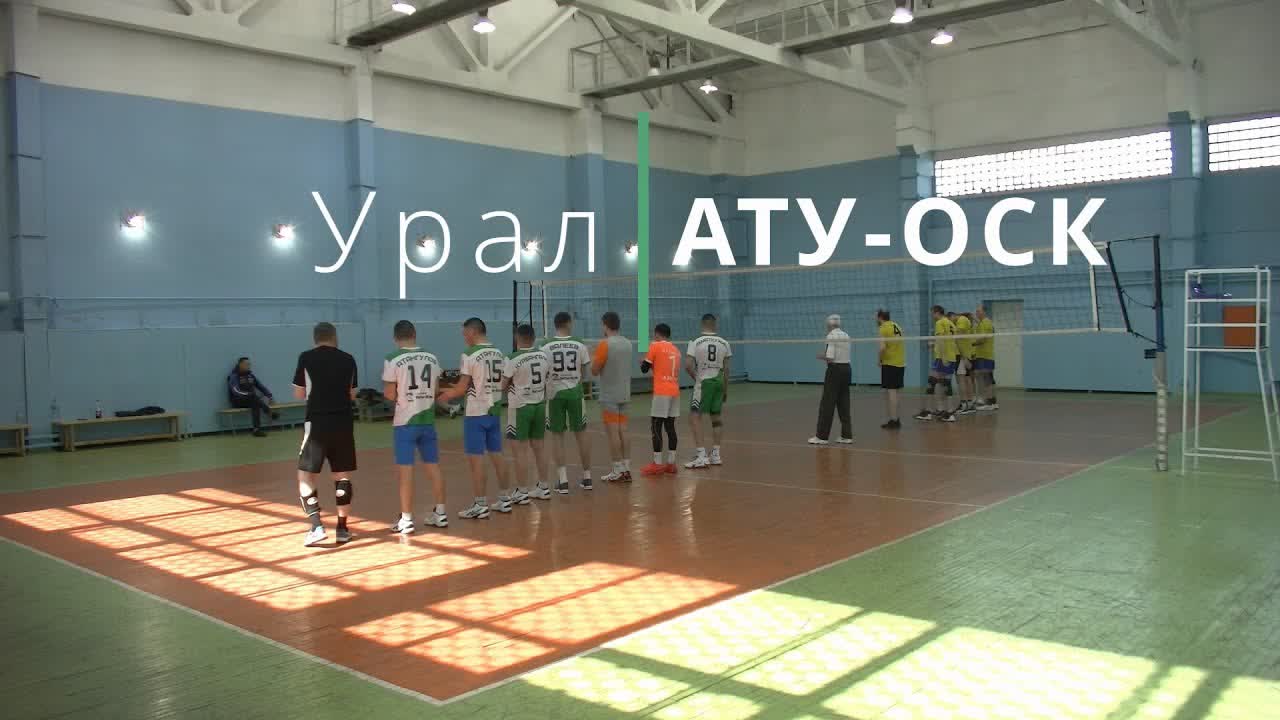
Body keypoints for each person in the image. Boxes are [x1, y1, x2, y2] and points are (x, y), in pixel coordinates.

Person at [437, 318, 519, 519]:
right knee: (497, 454)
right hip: (494, 410)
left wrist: (443, 394)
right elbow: (500, 384)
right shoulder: (498, 353)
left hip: (476, 412)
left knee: (476, 459)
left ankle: (480, 504)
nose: (464, 337)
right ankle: (504, 499)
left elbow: (461, 389)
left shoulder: (469, 354)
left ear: (473, 332)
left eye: (465, 333)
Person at [292, 322, 359, 547]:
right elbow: (352, 394)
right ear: (334, 337)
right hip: (343, 423)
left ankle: (317, 527)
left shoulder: (306, 358)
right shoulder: (348, 359)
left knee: (305, 476)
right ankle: (342, 529)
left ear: (315, 338)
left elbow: (299, 393)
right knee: (342, 476)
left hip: (317, 424)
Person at [382, 320, 447, 534]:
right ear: (414, 334)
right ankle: (441, 513)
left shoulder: (392, 358)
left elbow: (389, 394)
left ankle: (407, 519)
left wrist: (404, 397)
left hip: (405, 423)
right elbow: (435, 389)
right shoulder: (432, 357)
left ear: (395, 338)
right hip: (427, 419)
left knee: (405, 471)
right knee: (433, 467)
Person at [541, 312, 594, 493]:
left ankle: (563, 480)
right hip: (575, 393)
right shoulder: (579, 344)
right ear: (569, 323)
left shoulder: (545, 345)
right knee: (582, 434)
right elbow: (585, 373)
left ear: (555, 324)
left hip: (554, 395)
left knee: (557, 436)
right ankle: (587, 477)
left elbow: (542, 372)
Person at [502, 324, 553, 501]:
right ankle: (544, 487)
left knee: (520, 451)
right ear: (533, 337)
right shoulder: (544, 355)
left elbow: (502, 385)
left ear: (517, 338)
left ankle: (522, 491)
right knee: (539, 448)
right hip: (539, 405)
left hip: (520, 407)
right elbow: (547, 378)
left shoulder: (512, 358)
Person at [685, 313, 732, 468]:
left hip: (704, 383)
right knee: (716, 417)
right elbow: (727, 370)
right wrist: (725, 390)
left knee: (695, 417)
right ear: (714, 324)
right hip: (719, 382)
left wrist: (697, 378)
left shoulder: (695, 342)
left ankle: (701, 456)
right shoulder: (725, 343)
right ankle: (716, 455)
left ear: (702, 324)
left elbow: (688, 365)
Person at [592, 311, 633, 483]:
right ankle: (627, 468)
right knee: (624, 430)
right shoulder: (628, 343)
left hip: (609, 395)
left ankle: (617, 469)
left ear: (605, 325)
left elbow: (594, 370)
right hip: (625, 393)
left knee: (612, 432)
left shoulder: (604, 344)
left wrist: (593, 357)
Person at [640, 323, 681, 476]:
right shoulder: (676, 350)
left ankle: (657, 464)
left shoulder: (655, 346)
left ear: (657, 334)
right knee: (670, 427)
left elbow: (644, 369)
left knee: (656, 426)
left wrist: (643, 363)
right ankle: (671, 463)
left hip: (662, 391)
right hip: (674, 391)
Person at [809, 314, 853, 445]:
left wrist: (820, 356)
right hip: (847, 369)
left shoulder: (831, 336)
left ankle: (822, 437)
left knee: (827, 403)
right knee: (844, 403)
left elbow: (830, 357)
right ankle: (846, 435)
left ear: (829, 325)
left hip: (835, 370)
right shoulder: (846, 335)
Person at [915, 305, 958, 423]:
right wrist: (934, 345)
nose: (932, 316)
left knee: (932, 382)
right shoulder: (950, 323)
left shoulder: (939, 323)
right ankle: (948, 412)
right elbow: (950, 340)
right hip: (951, 356)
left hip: (942, 358)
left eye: (932, 313)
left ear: (937, 312)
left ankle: (928, 412)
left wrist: (943, 357)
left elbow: (941, 340)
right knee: (946, 384)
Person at [227, 357, 278, 437]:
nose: (248, 366)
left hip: (251, 399)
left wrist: (269, 396)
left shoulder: (250, 376)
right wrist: (248, 394)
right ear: (240, 365)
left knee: (255, 403)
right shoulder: (234, 376)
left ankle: (256, 430)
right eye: (246, 364)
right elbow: (235, 391)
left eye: (249, 364)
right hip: (238, 400)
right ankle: (269, 413)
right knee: (253, 397)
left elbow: (260, 386)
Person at [876, 310, 905, 429]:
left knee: (891, 392)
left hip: (890, 363)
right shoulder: (897, 325)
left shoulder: (883, 328)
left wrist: (879, 359)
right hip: (900, 363)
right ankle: (896, 418)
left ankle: (893, 420)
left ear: (880, 318)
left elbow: (882, 348)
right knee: (896, 393)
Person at [973, 305, 999, 410]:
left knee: (987, 378)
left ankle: (990, 402)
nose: (976, 313)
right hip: (982, 355)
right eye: (976, 311)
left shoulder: (986, 323)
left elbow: (983, 339)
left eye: (978, 311)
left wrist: (971, 343)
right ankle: (991, 401)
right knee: (986, 378)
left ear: (984, 312)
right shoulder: (983, 323)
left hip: (985, 355)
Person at [952, 311, 977, 415]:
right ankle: (969, 404)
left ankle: (965, 404)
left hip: (963, 355)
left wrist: (964, 357)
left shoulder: (962, 320)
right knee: (966, 379)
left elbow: (958, 338)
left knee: (962, 380)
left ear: (953, 316)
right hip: (965, 354)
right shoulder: (964, 322)